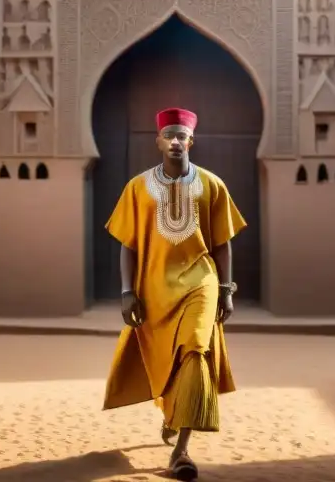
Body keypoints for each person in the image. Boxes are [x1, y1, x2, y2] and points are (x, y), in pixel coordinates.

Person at [102, 107, 245, 481]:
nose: (176, 141)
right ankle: (172, 410)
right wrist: (125, 291)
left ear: (191, 141)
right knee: (167, 359)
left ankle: (181, 452)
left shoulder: (213, 185)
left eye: (182, 135)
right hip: (154, 287)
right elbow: (128, 245)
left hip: (201, 280)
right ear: (159, 142)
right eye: (170, 135)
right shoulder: (137, 188)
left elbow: (223, 244)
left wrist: (226, 290)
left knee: (196, 350)